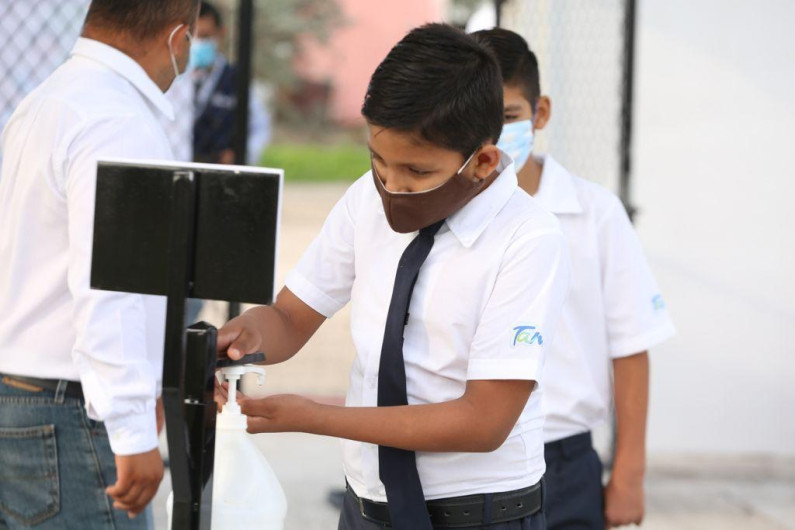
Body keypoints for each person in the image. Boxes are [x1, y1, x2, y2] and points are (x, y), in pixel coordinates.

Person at [215, 23, 569, 530]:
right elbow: (290, 317)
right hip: (366, 506)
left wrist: (313, 416)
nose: (393, 186)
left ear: (483, 161)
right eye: (379, 162)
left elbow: (484, 421)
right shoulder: (366, 197)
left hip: (475, 513)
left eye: (418, 172)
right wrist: (243, 339)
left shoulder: (528, 237)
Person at [0, 0, 198, 527]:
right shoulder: (117, 120)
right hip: (73, 411)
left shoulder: (45, 101)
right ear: (178, 38)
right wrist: (132, 430)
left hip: (23, 396)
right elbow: (114, 288)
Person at [472, 28, 676, 529]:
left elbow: (631, 346)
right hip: (465, 461)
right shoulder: (444, 212)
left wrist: (628, 472)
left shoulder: (595, 213)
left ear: (540, 113)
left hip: (563, 462)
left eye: (508, 118)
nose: (493, 137)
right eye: (475, 121)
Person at [191, 0, 271, 165]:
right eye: (192, 36)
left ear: (221, 33)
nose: (197, 43)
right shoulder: (172, 78)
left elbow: (260, 126)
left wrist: (241, 155)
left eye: (205, 36)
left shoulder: (236, 80)